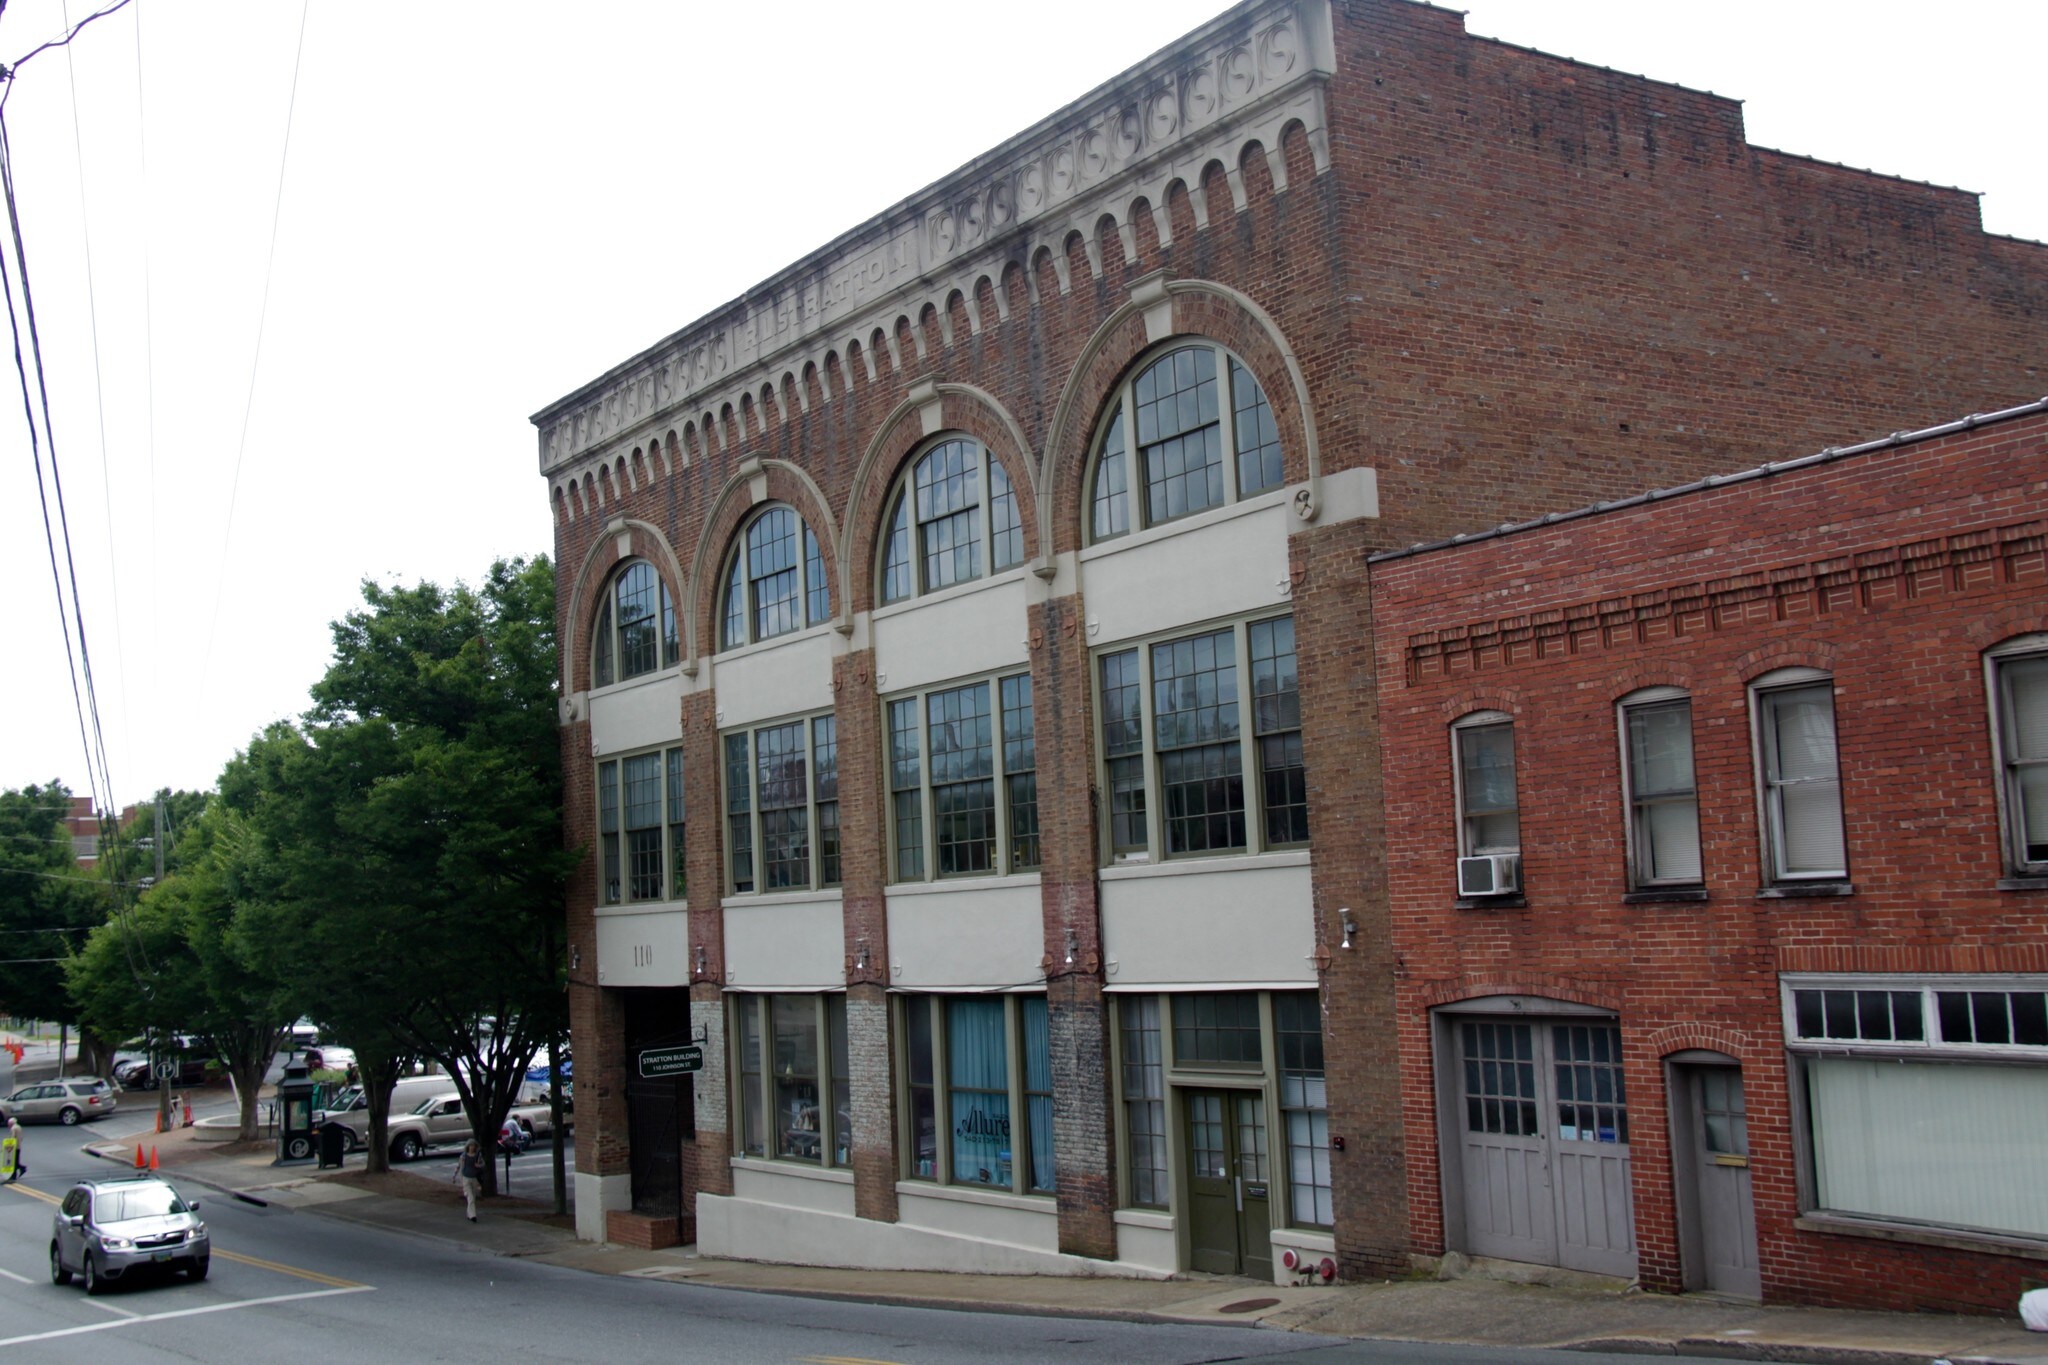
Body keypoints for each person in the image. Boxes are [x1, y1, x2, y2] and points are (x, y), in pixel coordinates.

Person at [453, 1139, 482, 1221]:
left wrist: (478, 1165)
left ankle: (469, 1214)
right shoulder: (464, 1156)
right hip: (466, 1178)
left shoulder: (477, 1156)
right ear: (468, 1147)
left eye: (473, 1146)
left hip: (474, 1178)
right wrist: (454, 1176)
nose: (472, 1147)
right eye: (470, 1146)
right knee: (470, 1197)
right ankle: (473, 1216)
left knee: (473, 1197)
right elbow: (459, 1166)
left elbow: (482, 1164)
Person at [3, 1117, 22, 1182]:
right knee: (16, 1161)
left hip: (14, 1148)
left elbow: (12, 1139)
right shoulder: (19, 1127)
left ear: (11, 1123)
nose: (8, 1125)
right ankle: (21, 1169)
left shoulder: (13, 1129)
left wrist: (7, 1147)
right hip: (19, 1146)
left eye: (8, 1124)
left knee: (13, 1162)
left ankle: (13, 1175)